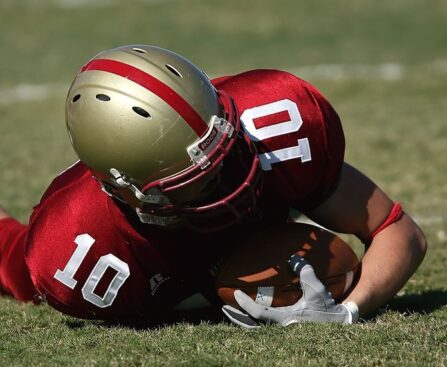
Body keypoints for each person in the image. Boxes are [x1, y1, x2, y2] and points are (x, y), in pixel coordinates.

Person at [0, 45, 426, 325]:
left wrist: (346, 312)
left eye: (224, 149)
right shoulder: (79, 248)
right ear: (131, 191)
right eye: (194, 180)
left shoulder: (275, 125)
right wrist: (218, 289)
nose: (228, 178)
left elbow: (398, 229)